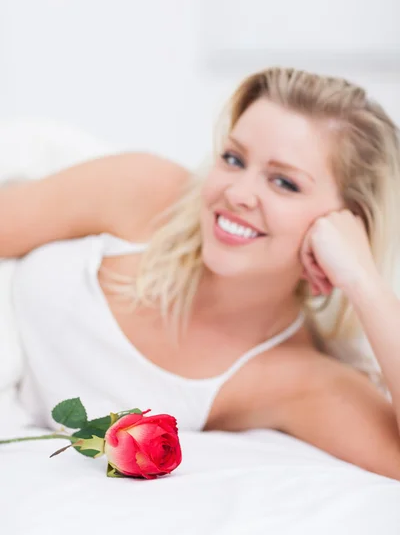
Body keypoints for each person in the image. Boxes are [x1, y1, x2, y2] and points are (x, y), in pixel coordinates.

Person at [3, 67, 400, 481]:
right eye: (233, 159)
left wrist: (364, 283)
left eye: (284, 183)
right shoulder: (141, 193)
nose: (238, 194)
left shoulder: (294, 376)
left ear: (346, 224)